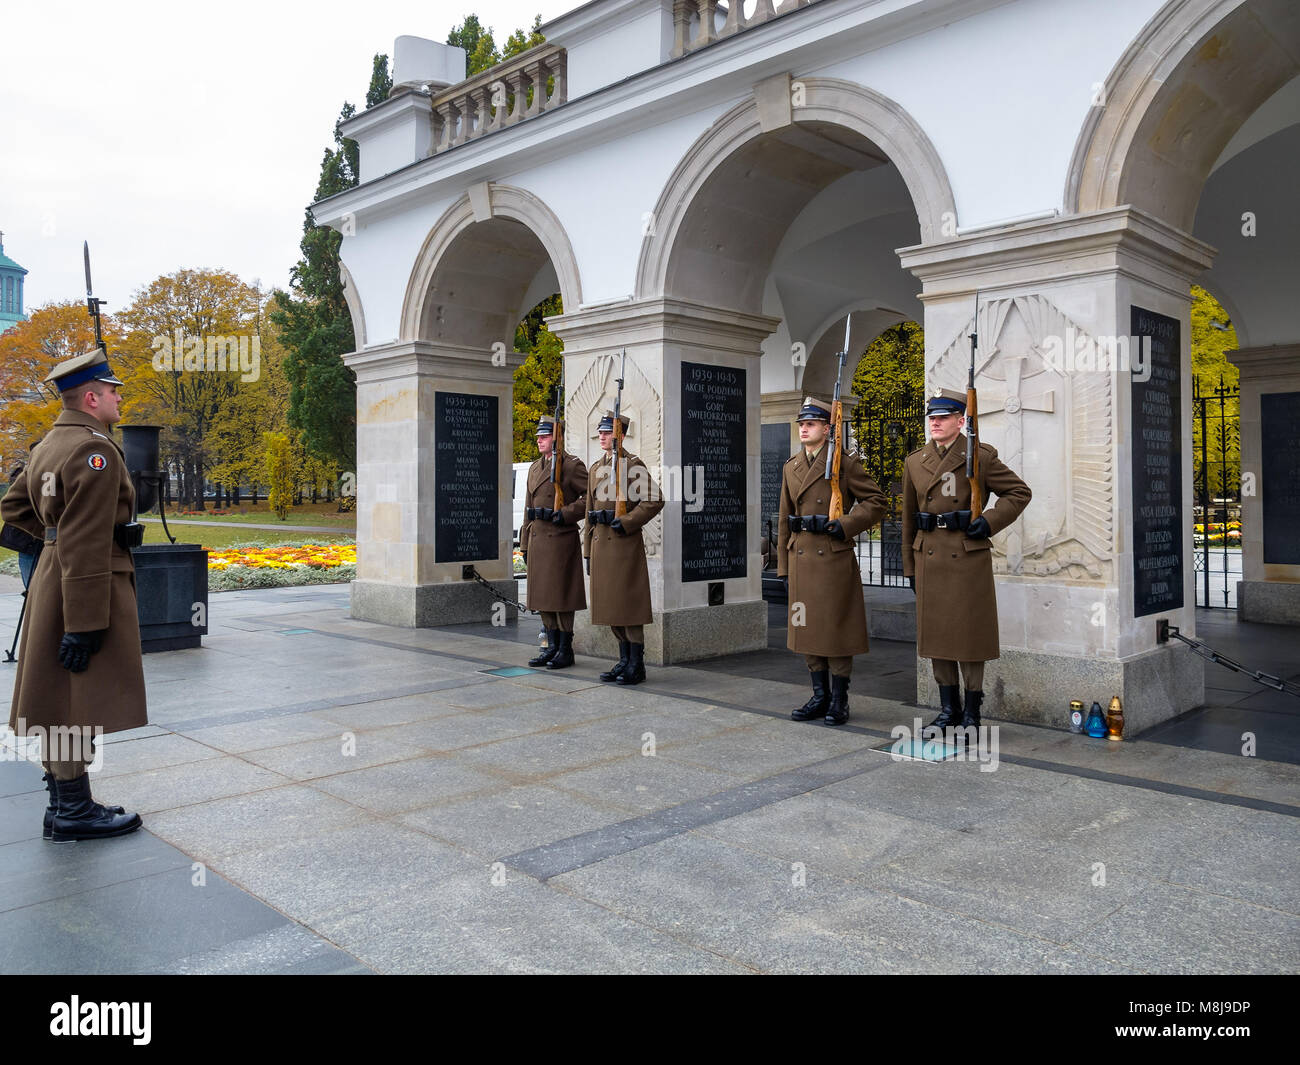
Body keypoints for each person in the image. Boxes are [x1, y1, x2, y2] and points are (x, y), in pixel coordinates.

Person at [0, 348, 145, 841]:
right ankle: (73, 812)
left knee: (59, 696)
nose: (119, 398)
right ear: (91, 397)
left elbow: (13, 506)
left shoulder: (49, 444)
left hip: (53, 577)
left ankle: (65, 802)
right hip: (82, 585)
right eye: (112, 391)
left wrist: (48, 540)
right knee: (73, 699)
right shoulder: (92, 450)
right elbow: (85, 539)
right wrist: (85, 624)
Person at [902, 388, 1031, 736]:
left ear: (961, 421)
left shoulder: (980, 456)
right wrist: (909, 566)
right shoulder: (914, 461)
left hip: (967, 555)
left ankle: (972, 711)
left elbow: (1019, 492)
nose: (935, 423)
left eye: (943, 417)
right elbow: (909, 517)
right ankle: (948, 710)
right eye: (932, 417)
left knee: (969, 637)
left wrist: (989, 520)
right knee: (937, 637)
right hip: (929, 554)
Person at [777, 397, 887, 726]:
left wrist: (846, 524)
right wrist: (783, 566)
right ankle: (819, 695)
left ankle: (839, 699)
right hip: (801, 555)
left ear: (828, 429)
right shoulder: (791, 466)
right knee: (807, 627)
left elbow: (877, 502)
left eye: (811, 424)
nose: (804, 429)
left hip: (832, 555)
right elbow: (785, 519)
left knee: (836, 629)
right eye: (801, 424)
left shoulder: (844, 463)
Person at [583, 411, 664, 686]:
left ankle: (636, 664)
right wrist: (586, 552)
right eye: (600, 433)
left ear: (620, 434)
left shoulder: (632, 465)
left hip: (623, 547)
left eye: (607, 432)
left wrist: (626, 521)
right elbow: (588, 511)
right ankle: (623, 659)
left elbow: (654, 500)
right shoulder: (595, 468)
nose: (602, 437)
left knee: (628, 607)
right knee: (610, 608)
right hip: (601, 546)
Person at [519, 415, 588, 669]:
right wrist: (524, 543)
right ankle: (550, 646)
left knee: (560, 598)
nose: (539, 440)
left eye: (544, 436)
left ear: (556, 438)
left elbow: (589, 496)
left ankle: (564, 649)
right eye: (538, 436)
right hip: (538, 539)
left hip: (559, 539)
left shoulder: (570, 465)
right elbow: (528, 508)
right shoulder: (535, 467)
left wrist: (565, 513)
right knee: (542, 599)